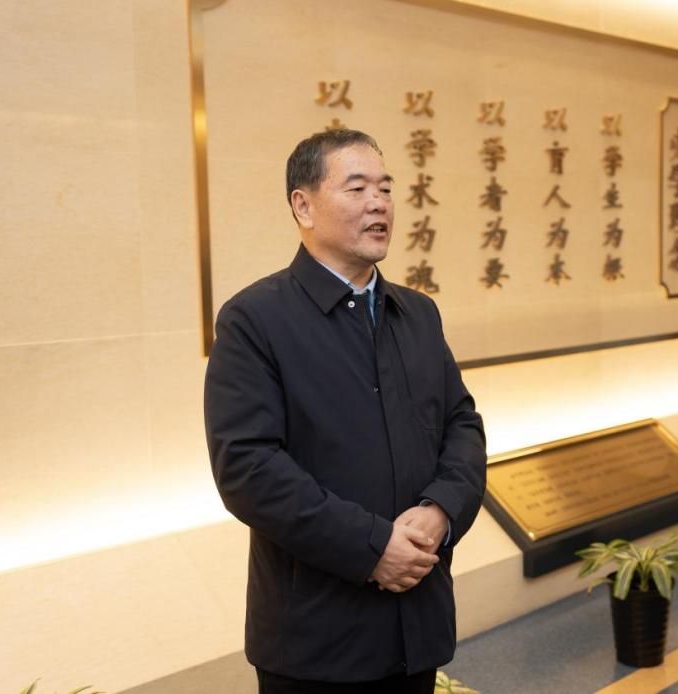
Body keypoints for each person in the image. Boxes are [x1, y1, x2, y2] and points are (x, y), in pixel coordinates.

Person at [204, 128, 487, 694]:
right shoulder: (255, 320)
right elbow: (248, 468)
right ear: (303, 206)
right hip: (316, 640)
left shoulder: (418, 314)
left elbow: (462, 424)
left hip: (417, 623)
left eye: (385, 188)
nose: (379, 203)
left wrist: (441, 509)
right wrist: (372, 547)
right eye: (357, 189)